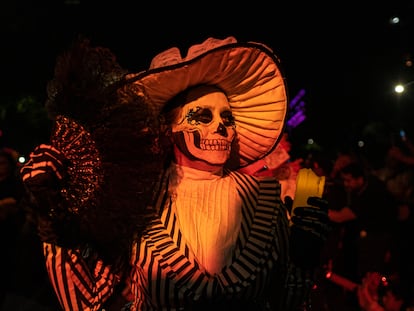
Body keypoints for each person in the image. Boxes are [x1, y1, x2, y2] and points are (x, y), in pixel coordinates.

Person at [20, 36, 330, 310]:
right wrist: (52, 213)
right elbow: (91, 299)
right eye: (201, 116)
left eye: (227, 117)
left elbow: (286, 301)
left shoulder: (263, 200)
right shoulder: (138, 199)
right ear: (169, 129)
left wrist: (302, 260)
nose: (220, 126)